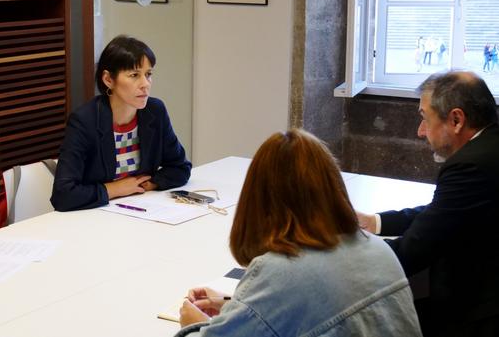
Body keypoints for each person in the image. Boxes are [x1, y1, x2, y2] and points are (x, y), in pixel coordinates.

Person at [176, 129, 421, 337]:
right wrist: (234, 305)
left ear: (260, 198)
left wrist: (193, 324)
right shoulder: (377, 248)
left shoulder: (280, 271)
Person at [357, 71, 499, 336]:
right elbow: (444, 211)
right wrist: (374, 222)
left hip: (476, 314)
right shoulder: (489, 149)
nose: (420, 132)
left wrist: (343, 251)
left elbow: (412, 252)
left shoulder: (470, 166)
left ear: (456, 119)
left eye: (424, 118)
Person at [50, 35, 191, 211]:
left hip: (141, 209)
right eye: (134, 75)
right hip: (94, 216)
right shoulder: (84, 121)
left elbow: (180, 167)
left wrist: (152, 183)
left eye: (148, 74)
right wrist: (114, 189)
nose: (145, 84)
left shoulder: (155, 111)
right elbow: (63, 194)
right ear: (109, 80)